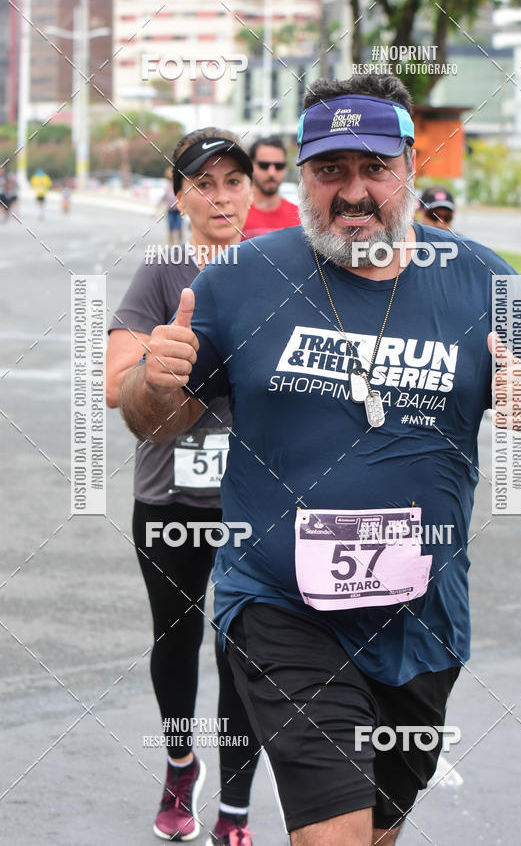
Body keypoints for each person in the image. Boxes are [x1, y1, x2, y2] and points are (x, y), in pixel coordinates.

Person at [118, 74, 521, 846]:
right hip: (280, 605)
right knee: (332, 832)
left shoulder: (483, 280)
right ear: (301, 175)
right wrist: (155, 379)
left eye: (375, 167)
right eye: (330, 169)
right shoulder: (240, 278)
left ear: (410, 166)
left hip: (423, 620)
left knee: (376, 830)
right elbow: (153, 420)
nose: (354, 190)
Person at [106, 128, 260, 845]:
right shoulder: (163, 273)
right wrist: (166, 359)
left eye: (234, 180)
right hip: (169, 498)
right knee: (175, 641)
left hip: (255, 502)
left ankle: (236, 808)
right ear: (179, 196)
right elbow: (114, 385)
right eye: (204, 183)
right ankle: (179, 765)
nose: (221, 196)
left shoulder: (277, 269)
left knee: (246, 652)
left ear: (252, 190)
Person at [241, 136, 300, 238]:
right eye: (264, 165)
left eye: (279, 166)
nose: (272, 173)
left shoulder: (299, 218)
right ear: (250, 166)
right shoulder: (235, 215)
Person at [160, 167, 184, 245]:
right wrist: (158, 205)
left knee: (179, 226)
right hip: (170, 210)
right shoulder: (168, 187)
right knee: (171, 228)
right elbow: (164, 197)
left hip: (179, 210)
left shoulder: (179, 186)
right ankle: (171, 244)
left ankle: (180, 242)